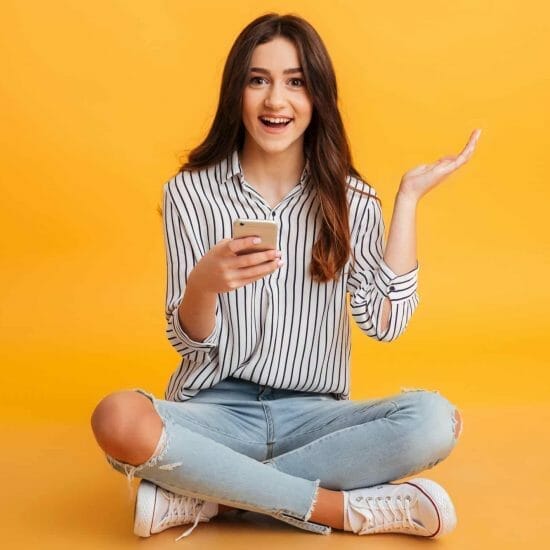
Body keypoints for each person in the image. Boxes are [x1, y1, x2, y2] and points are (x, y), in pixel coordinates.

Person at [90, 12, 480, 542]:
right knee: (117, 418)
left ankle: (213, 498)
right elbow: (186, 340)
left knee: (435, 421)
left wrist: (407, 200)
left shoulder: (353, 201)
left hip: (316, 421)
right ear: (237, 93)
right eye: (259, 80)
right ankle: (337, 510)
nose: (276, 100)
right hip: (213, 416)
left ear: (317, 97)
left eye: (295, 82)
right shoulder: (189, 194)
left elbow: (384, 324)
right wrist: (203, 284)